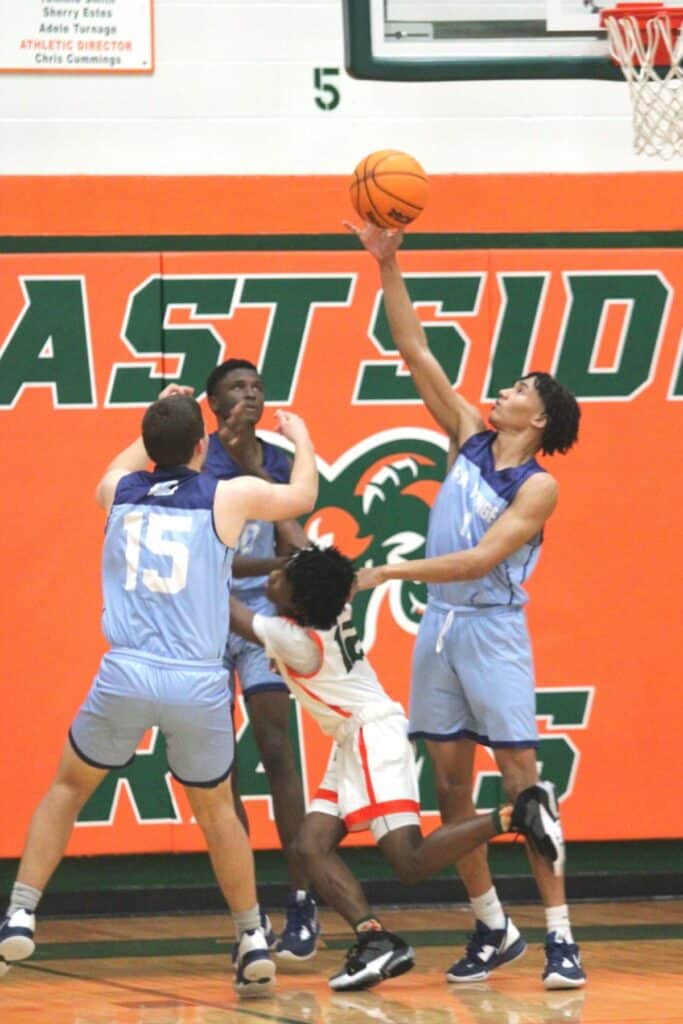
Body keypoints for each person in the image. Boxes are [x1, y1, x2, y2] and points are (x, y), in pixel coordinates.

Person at [0, 384, 318, 998]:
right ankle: (252, 937)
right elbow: (301, 495)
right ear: (202, 447)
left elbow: (123, 463)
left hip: (126, 673)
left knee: (68, 788)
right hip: (195, 679)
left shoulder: (121, 490)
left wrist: (161, 413)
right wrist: (301, 439)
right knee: (217, 811)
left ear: (150, 448)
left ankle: (19, 911)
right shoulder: (226, 496)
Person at [348, 222, 585, 990]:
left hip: (490, 631)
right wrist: (388, 264)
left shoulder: (536, 486)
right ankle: (492, 926)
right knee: (450, 787)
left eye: (519, 389)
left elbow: (482, 559)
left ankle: (560, 937)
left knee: (524, 783)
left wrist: (389, 571)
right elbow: (415, 348)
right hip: (440, 633)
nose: (505, 390)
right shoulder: (464, 437)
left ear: (537, 419)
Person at [229, 544, 565, 993]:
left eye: (281, 578)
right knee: (310, 846)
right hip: (351, 740)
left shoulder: (295, 638)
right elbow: (328, 574)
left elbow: (229, 609)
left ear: (300, 601)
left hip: (372, 738)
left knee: (408, 860)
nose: (271, 579)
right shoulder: (321, 609)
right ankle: (375, 939)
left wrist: (202, 553)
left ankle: (515, 815)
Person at [204, 358, 318, 960]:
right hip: (203, 616)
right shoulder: (198, 462)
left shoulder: (274, 459)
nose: (250, 395)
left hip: (258, 620)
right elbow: (213, 564)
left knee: (278, 751)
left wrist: (315, 562)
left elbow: (289, 530)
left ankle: (302, 899)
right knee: (220, 771)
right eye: (236, 389)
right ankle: (248, 918)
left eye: (256, 387)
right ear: (213, 403)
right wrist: (282, 564)